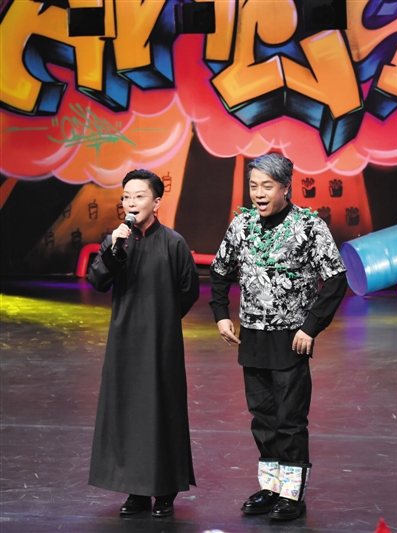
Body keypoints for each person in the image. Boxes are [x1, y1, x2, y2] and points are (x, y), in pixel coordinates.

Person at [209, 153, 347, 521]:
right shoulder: (242, 225)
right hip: (252, 336)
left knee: (289, 420)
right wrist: (221, 315)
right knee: (263, 419)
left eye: (266, 186)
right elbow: (220, 271)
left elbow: (335, 279)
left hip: (291, 338)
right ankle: (271, 488)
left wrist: (310, 327)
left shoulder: (309, 226)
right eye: (253, 186)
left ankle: (292, 495)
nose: (258, 193)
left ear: (286, 187)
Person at [88, 169, 199, 518]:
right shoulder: (116, 240)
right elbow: (97, 280)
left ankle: (165, 491)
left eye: (139, 196)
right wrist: (114, 248)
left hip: (162, 340)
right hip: (124, 339)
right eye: (126, 197)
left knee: (162, 411)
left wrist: (163, 320)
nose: (131, 203)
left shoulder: (174, 243)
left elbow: (188, 291)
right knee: (129, 412)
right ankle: (135, 491)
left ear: (157, 201)